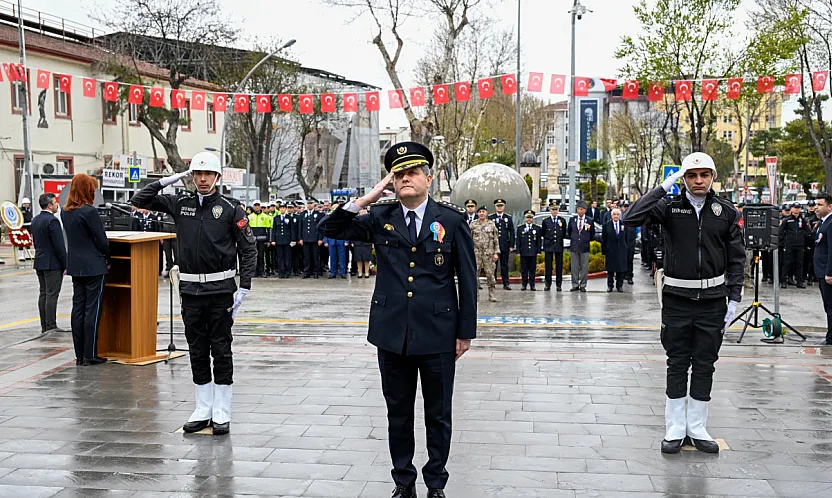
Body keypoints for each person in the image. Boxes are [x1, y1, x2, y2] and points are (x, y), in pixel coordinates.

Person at [319, 141, 476, 498]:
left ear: (428, 179)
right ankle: (403, 481)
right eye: (398, 174)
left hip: (438, 332)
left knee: (438, 414)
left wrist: (465, 332)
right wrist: (369, 197)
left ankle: (435, 483)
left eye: (412, 172)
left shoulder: (451, 220)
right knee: (398, 413)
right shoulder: (380, 217)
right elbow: (330, 228)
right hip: (392, 333)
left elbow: (467, 280)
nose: (405, 178)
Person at [623, 152, 745, 454]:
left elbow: (737, 258)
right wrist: (665, 186)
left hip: (713, 300)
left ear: (713, 177)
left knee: (705, 362)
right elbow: (630, 218)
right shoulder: (668, 208)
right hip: (677, 298)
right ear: (684, 179)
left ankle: (698, 427)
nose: (698, 180)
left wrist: (734, 297)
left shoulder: (726, 212)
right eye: (691, 175)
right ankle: (675, 428)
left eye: (704, 175)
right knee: (677, 362)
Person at [131, 151, 257, 436]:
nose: (202, 179)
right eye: (197, 174)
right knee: (197, 349)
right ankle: (203, 408)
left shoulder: (230, 208)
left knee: (221, 349)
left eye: (208, 174)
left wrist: (245, 285)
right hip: (190, 290)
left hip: (220, 289)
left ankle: (222, 410)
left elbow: (248, 249)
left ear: (217, 177)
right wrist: (170, 179)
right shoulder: (180, 203)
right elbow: (139, 200)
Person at [62, 174, 110, 366]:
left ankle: (80, 355)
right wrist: (108, 257)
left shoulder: (65, 212)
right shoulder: (90, 212)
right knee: (93, 309)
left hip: (76, 266)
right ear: (87, 190)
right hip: (94, 267)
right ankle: (90, 354)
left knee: (78, 309)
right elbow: (102, 240)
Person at [31, 193, 67, 334]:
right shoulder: (52, 221)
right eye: (55, 202)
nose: (57, 204)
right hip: (52, 263)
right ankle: (51, 325)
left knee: (43, 293)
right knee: (52, 294)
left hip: (40, 260)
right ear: (50, 205)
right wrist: (65, 264)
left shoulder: (35, 220)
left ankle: (44, 325)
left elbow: (35, 242)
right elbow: (59, 245)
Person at [812, 194, 832, 345]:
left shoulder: (830, 223)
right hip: (821, 270)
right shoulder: (823, 222)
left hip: (827, 272)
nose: (816, 208)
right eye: (816, 205)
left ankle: (831, 338)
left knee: (830, 306)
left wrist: (830, 272)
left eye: (820, 205)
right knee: (828, 306)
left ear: (830, 207)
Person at [470, 206, 500, 302]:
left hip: (489, 253)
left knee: (490, 274)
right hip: (476, 253)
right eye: (480, 212)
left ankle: (492, 294)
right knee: (474, 274)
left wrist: (496, 253)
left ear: (486, 213)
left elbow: (496, 239)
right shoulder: (473, 224)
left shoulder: (491, 224)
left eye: (483, 211)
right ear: (477, 213)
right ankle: (476, 295)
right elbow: (469, 239)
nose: (481, 213)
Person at [567, 201, 595, 292]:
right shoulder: (572, 220)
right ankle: (575, 284)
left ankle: (583, 285)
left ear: (585, 210)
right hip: (574, 246)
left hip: (584, 246)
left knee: (584, 267)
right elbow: (569, 231)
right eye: (578, 209)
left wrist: (585, 239)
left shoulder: (589, 220)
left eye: (582, 209)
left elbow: (592, 233)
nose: (580, 211)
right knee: (574, 267)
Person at [780, 202, 809, 289]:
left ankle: (799, 281)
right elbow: (781, 232)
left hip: (800, 245)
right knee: (787, 263)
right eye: (795, 208)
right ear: (792, 209)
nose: (796, 209)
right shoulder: (787, 220)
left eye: (798, 208)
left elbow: (808, 231)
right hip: (789, 244)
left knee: (799, 263)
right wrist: (785, 240)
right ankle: (784, 281)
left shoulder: (803, 220)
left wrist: (802, 236)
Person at [489, 199, 515, 290]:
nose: (499, 207)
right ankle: (493, 282)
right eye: (498, 206)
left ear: (504, 206)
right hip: (493, 245)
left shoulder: (508, 218)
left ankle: (506, 283)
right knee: (493, 265)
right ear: (495, 207)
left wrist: (511, 245)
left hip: (504, 245)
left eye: (501, 206)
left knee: (504, 265)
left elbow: (512, 232)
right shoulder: (491, 217)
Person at [541, 202, 566, 291]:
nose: (555, 211)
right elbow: (543, 233)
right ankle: (548, 283)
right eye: (553, 210)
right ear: (550, 210)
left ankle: (559, 284)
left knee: (559, 266)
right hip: (549, 246)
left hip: (558, 245)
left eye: (556, 209)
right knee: (548, 266)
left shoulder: (562, 220)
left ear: (558, 210)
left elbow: (563, 233)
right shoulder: (546, 221)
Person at [602, 208, 629, 292]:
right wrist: (605, 250)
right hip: (610, 250)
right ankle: (610, 285)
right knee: (610, 269)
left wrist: (626, 248)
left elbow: (626, 238)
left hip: (621, 250)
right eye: (614, 214)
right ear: (611, 216)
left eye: (617, 214)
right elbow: (604, 239)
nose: (616, 216)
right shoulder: (606, 225)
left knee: (621, 269)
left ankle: (619, 285)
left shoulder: (623, 225)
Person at [516, 210, 541, 291]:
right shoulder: (520, 228)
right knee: (524, 270)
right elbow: (518, 241)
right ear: (525, 218)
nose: (529, 219)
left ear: (533, 218)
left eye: (530, 217)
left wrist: (539, 251)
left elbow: (539, 241)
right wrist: (518, 251)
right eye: (527, 217)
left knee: (532, 270)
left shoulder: (537, 228)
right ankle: (524, 284)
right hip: (524, 252)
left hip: (533, 252)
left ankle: (532, 285)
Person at [270, 202, 297, 278]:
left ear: (285, 209)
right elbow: (274, 229)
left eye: (283, 208)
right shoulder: (276, 218)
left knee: (287, 257)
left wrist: (293, 240)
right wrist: (273, 240)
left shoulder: (289, 218)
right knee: (280, 257)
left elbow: (292, 229)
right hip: (279, 240)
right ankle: (281, 272)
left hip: (287, 240)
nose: (282, 209)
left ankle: (287, 272)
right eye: (281, 208)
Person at [299, 198, 324, 279]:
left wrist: (320, 238)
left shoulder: (318, 214)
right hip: (305, 238)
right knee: (306, 256)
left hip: (315, 239)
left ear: (314, 204)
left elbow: (320, 228)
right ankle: (307, 271)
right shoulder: (302, 214)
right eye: (308, 203)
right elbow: (300, 227)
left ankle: (315, 271)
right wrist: (300, 238)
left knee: (315, 256)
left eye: (311, 203)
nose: (309, 205)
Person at [248, 201, 272, 278]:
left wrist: (269, 240)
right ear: (253, 206)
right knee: (254, 256)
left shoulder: (265, 216)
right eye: (255, 205)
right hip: (253, 240)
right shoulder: (249, 217)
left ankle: (261, 271)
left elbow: (269, 229)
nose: (257, 207)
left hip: (262, 240)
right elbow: (247, 229)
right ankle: (255, 271)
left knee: (261, 256)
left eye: (258, 205)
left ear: (260, 206)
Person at [352, 207, 374, 278]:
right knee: (358, 258)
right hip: (358, 242)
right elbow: (352, 232)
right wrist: (352, 241)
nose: (363, 211)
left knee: (366, 258)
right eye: (361, 209)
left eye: (364, 209)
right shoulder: (355, 219)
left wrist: (373, 242)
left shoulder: (370, 219)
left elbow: (372, 232)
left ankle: (367, 272)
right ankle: (360, 272)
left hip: (367, 242)